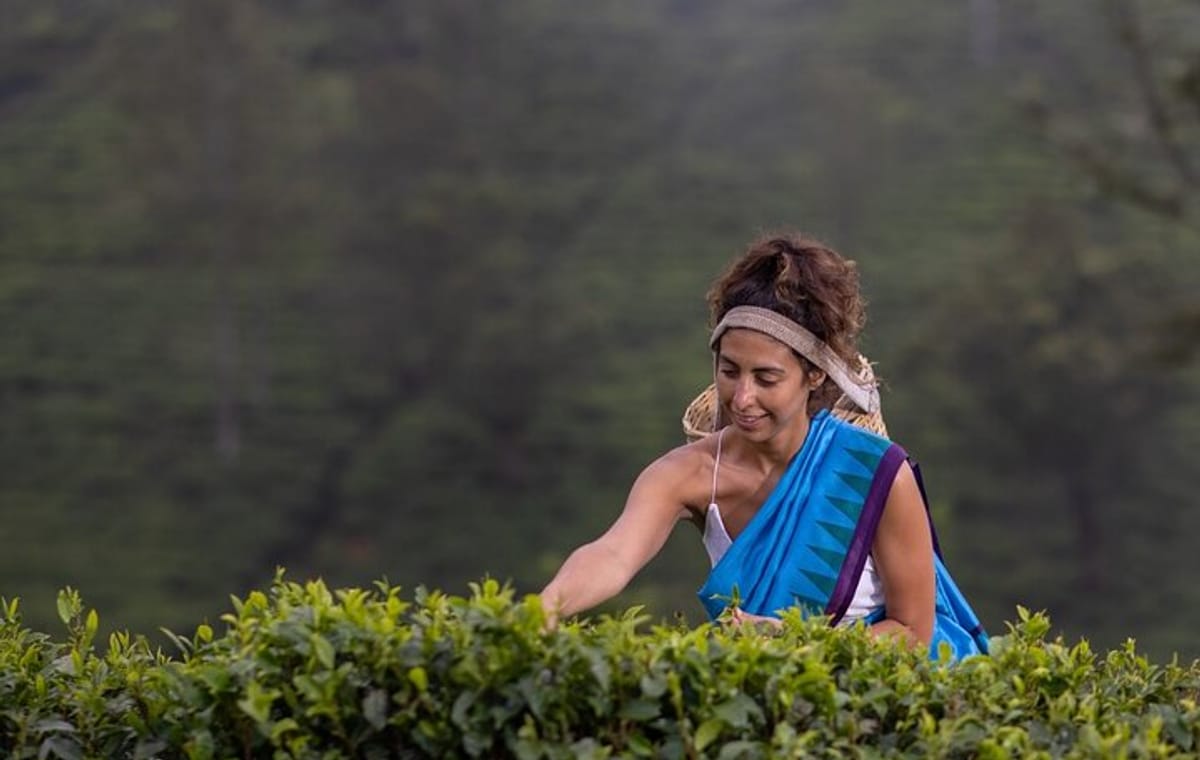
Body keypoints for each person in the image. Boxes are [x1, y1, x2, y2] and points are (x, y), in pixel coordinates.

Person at [539, 233, 987, 660]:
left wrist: (795, 640)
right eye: (730, 371)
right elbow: (614, 554)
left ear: (813, 376)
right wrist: (544, 610)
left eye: (766, 378)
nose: (742, 398)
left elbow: (911, 632)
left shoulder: (877, 472)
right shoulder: (688, 474)